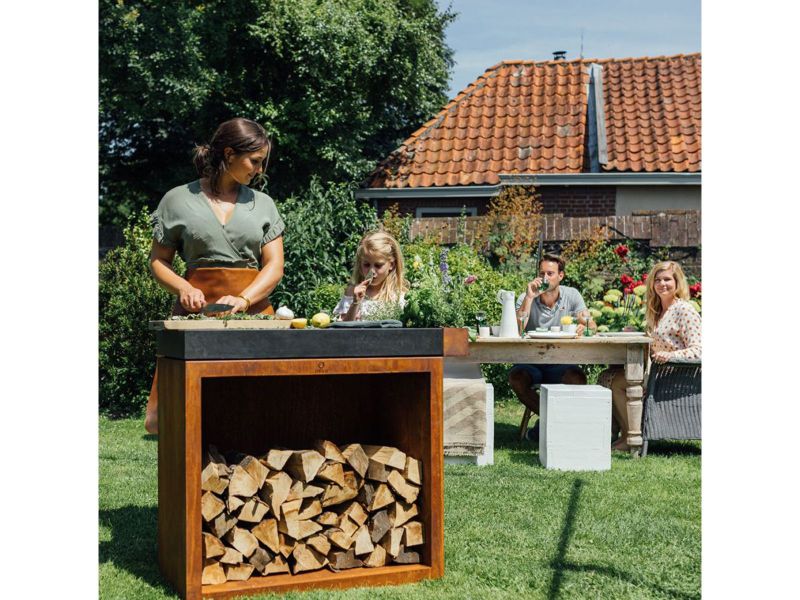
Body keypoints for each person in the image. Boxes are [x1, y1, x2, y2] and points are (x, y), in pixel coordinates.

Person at [144, 118, 285, 434]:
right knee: (191, 414)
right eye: (255, 161)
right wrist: (182, 287)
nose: (259, 171)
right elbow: (158, 261)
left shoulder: (264, 205)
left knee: (261, 412)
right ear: (230, 153)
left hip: (255, 314)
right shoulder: (177, 200)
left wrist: (244, 298)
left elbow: (275, 266)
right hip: (197, 315)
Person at [599, 260, 701, 451]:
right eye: (658, 280)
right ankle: (621, 432)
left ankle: (630, 437)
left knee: (617, 382)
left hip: (675, 377)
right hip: (657, 373)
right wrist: (636, 333)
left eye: (667, 279)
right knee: (606, 376)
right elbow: (659, 343)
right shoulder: (659, 311)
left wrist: (670, 356)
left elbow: (700, 350)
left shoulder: (684, 310)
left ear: (677, 283)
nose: (662, 284)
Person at [509, 254, 596, 442]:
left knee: (577, 378)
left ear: (561, 276)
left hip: (560, 362)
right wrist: (530, 298)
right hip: (531, 361)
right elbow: (517, 329)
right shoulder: (527, 296)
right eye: (542, 273)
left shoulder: (572, 295)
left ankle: (543, 427)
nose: (545, 277)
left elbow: (592, 325)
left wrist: (585, 325)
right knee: (517, 378)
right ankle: (553, 422)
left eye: (550, 273)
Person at [333, 230, 408, 321]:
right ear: (360, 264)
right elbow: (342, 330)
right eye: (366, 265)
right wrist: (355, 303)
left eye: (378, 265)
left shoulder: (399, 294)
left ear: (391, 265)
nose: (371, 271)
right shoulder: (353, 292)